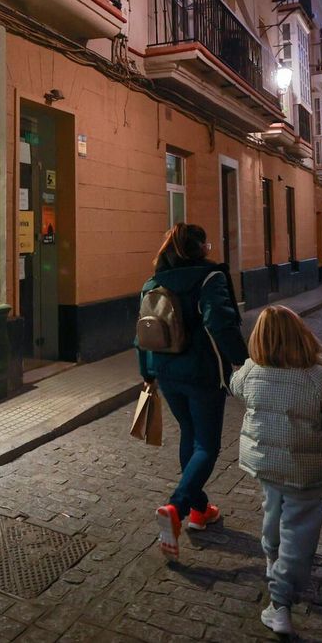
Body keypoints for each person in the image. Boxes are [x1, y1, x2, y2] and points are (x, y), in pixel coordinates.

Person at [230, 306, 322, 637]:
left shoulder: (250, 372)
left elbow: (235, 386)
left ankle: (274, 562)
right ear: (302, 334)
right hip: (305, 472)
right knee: (298, 534)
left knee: (273, 516)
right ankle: (280, 602)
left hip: (265, 466)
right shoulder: (320, 380)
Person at [137, 223, 247, 560]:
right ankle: (176, 507)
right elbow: (220, 322)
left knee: (189, 433)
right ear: (200, 248)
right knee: (206, 445)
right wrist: (243, 362)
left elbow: (143, 331)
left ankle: (200, 509)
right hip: (202, 374)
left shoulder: (153, 283)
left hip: (166, 373)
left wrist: (147, 373)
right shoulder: (209, 279)